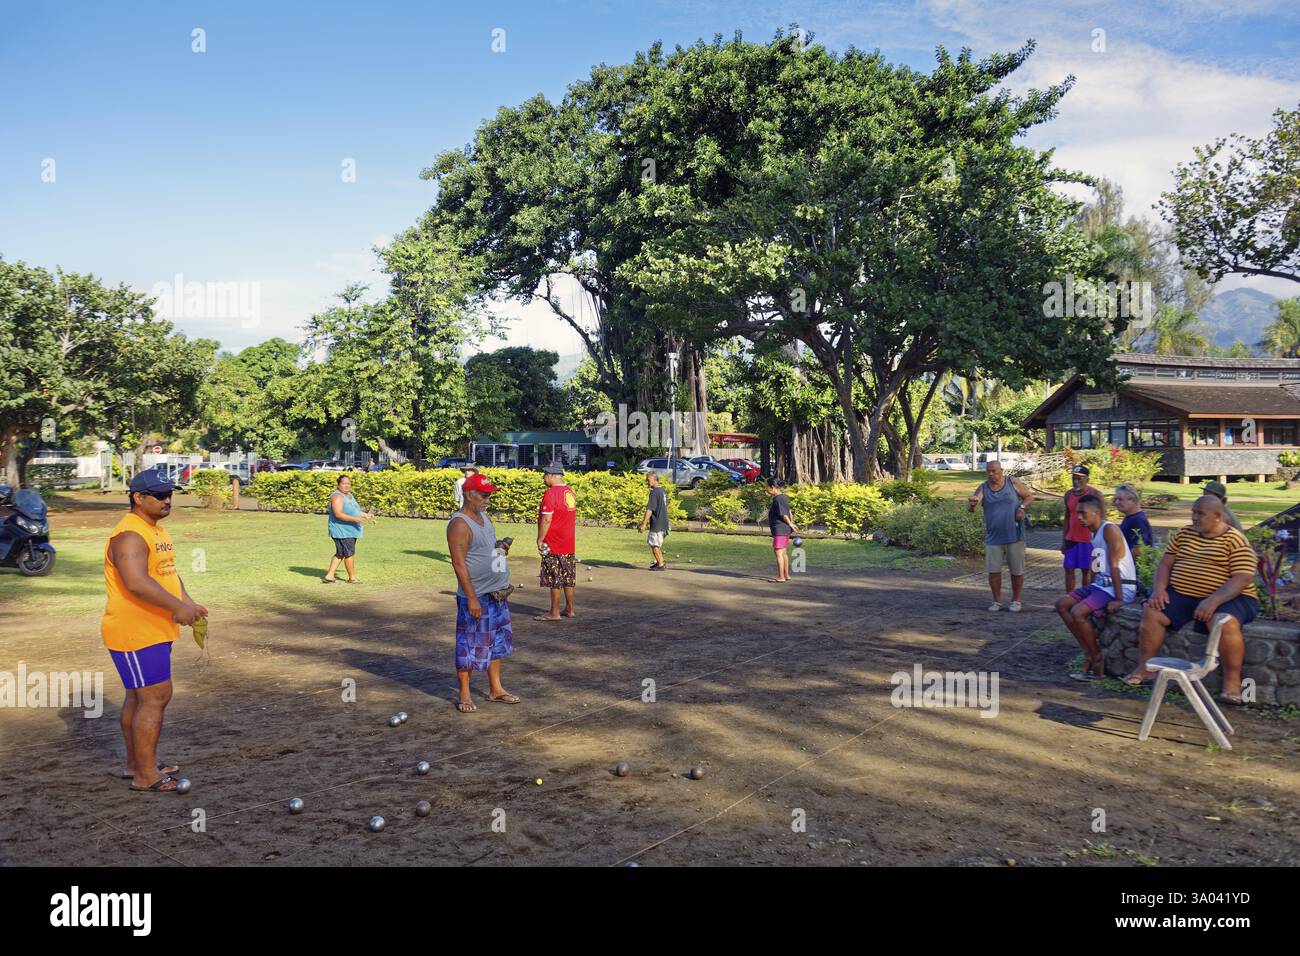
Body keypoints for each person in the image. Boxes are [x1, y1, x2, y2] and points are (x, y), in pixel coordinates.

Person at [103, 468, 207, 793]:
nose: (167, 500)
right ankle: (145, 775)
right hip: (135, 631)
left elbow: (167, 575)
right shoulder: (129, 535)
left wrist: (188, 602)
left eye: (170, 494)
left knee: (139, 698)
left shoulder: (156, 531)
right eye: (160, 495)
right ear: (138, 498)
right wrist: (177, 608)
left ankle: (137, 764)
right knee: (156, 696)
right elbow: (136, 582)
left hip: (153, 629)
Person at [1125, 495, 1259, 704]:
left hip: (1230, 596)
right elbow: (1165, 565)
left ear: (1217, 516)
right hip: (1184, 595)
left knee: (1225, 622)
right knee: (1152, 611)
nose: (1194, 518)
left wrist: (1213, 601)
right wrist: (1159, 590)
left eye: (1200, 514)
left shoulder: (1235, 539)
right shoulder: (1184, 533)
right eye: (1193, 513)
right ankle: (1146, 667)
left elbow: (1242, 578)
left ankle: (1232, 682)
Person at [447, 472, 518, 713]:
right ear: (469, 494)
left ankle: (495, 689)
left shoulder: (483, 517)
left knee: (496, 643)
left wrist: (500, 547)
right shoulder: (459, 524)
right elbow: (458, 564)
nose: (487, 500)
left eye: (489, 495)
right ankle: (464, 694)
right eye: (483, 495)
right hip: (476, 597)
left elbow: (485, 549)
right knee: (469, 646)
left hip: (496, 594)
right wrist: (473, 598)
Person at [1055, 494, 1137, 681]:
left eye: (1083, 514)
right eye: (1077, 514)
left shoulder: (1110, 530)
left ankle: (1097, 658)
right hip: (1101, 585)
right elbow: (1095, 565)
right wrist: (1088, 587)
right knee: (1062, 604)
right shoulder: (1093, 533)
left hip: (1120, 586)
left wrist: (1119, 599)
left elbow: (1115, 565)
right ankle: (1086, 650)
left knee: (1078, 612)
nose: (1079, 518)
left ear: (1097, 512)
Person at [967, 459, 1034, 612]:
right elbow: (973, 508)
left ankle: (1016, 600)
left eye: (994, 471)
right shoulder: (983, 487)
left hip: (1014, 536)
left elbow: (1029, 496)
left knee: (1017, 571)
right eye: (988, 471)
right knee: (994, 571)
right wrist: (972, 504)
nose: (991, 474)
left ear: (1001, 471)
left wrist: (1022, 508)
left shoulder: (1013, 482)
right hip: (993, 537)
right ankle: (997, 601)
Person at [535, 461, 577, 620]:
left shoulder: (550, 494)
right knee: (568, 578)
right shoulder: (570, 492)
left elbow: (546, 520)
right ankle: (570, 609)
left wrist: (540, 539)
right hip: (568, 543)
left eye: (545, 474)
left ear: (552, 475)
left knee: (554, 578)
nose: (543, 477)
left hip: (553, 543)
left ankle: (554, 612)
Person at [323, 474, 371, 583]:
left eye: (348, 483)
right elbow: (338, 514)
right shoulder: (337, 496)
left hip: (349, 530)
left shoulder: (349, 495)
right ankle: (352, 578)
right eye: (344, 483)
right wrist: (355, 519)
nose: (347, 486)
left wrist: (365, 515)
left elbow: (353, 510)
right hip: (342, 531)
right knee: (349, 553)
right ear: (338, 484)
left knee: (341, 553)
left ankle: (329, 576)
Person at [1062, 465, 1104, 591]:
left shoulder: (1096, 495)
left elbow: (1102, 519)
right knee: (1068, 569)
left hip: (1089, 541)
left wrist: (1100, 542)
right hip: (1071, 539)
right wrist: (1064, 539)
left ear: (1087, 479)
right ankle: (1069, 598)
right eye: (1074, 478)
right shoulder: (1068, 494)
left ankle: (1084, 599)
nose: (1076, 481)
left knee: (1087, 571)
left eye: (1080, 478)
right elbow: (1067, 517)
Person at [765, 478, 799, 583]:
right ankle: (786, 575)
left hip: (780, 529)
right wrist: (791, 523)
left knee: (778, 553)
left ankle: (781, 577)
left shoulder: (777, 499)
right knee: (783, 553)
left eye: (767, 487)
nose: (766, 489)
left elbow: (783, 514)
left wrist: (790, 523)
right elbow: (789, 511)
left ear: (773, 488)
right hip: (784, 529)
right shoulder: (784, 497)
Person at [1113, 483, 1154, 559]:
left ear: (1132, 500)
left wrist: (1123, 563)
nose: (1116, 502)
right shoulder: (1130, 517)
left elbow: (1139, 549)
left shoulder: (1138, 521)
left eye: (1120, 499)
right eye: (1116, 499)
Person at [639, 471, 669, 570]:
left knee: (654, 544)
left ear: (655, 480)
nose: (647, 482)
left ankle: (661, 564)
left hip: (657, 523)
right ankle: (660, 562)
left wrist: (643, 524)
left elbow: (650, 509)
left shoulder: (654, 492)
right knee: (656, 544)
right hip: (663, 523)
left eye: (648, 480)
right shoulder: (662, 490)